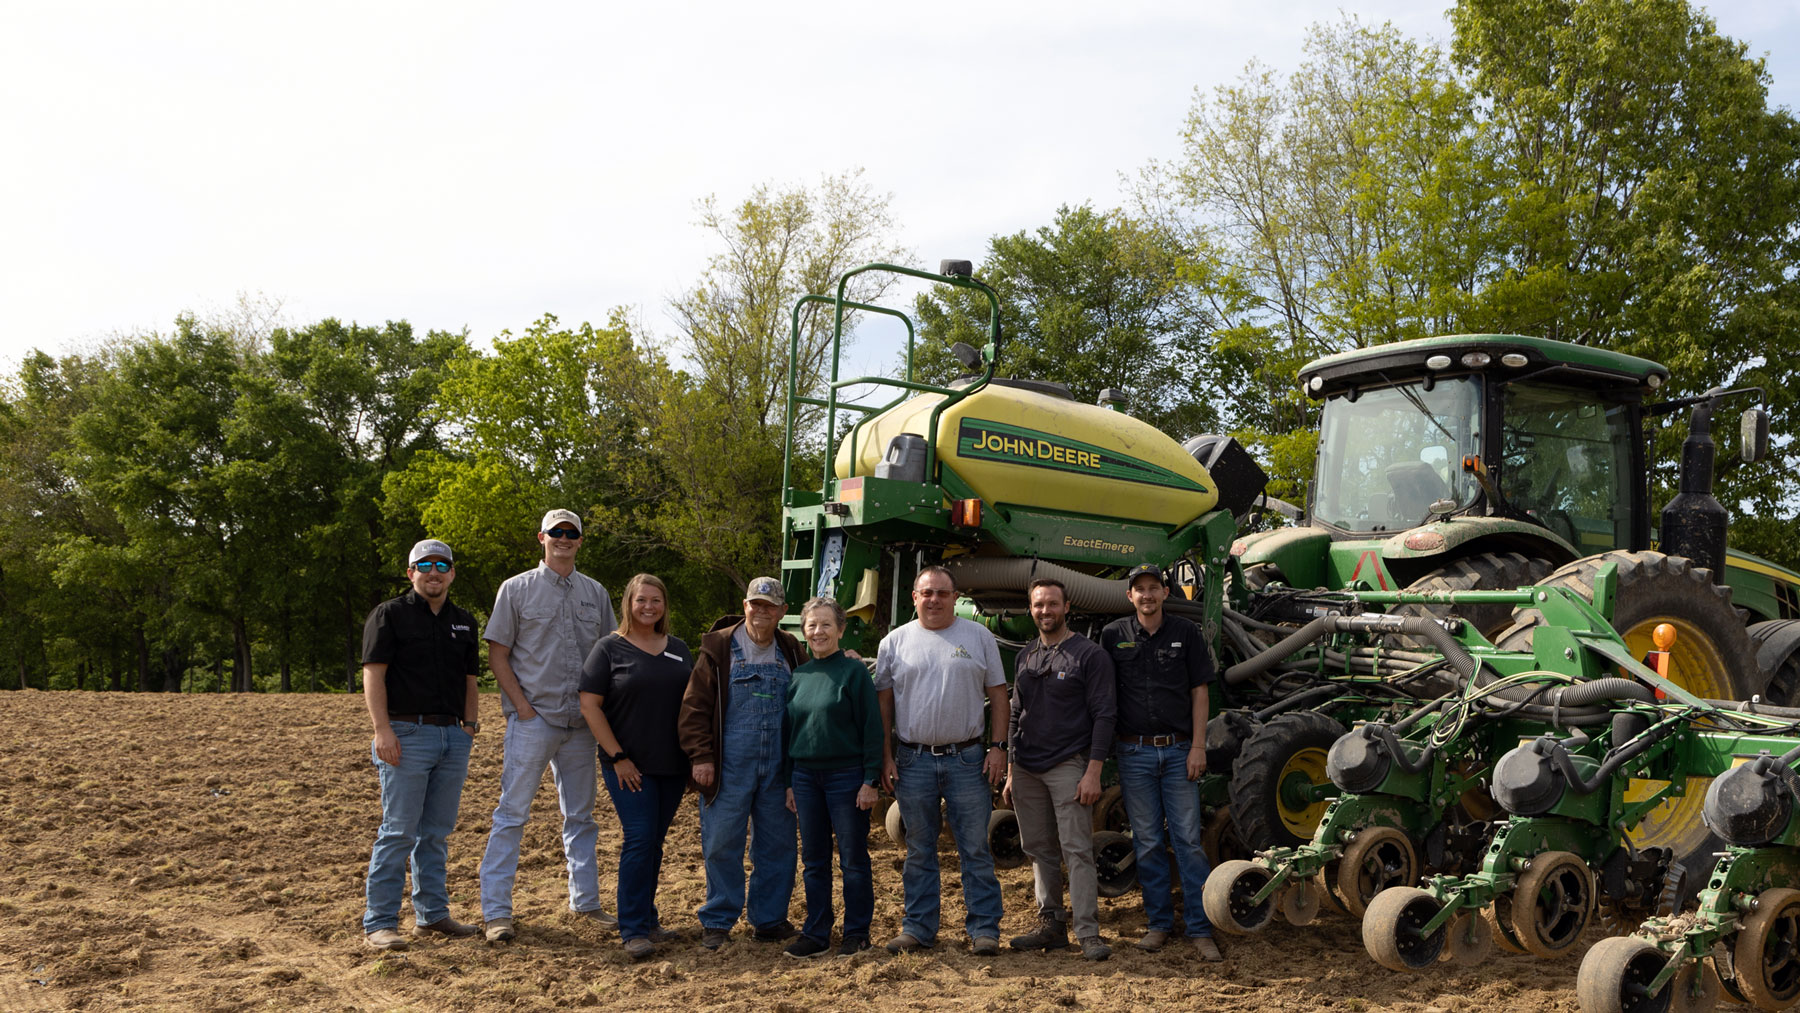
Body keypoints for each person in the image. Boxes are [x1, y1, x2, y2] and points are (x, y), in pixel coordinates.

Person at [478, 509, 618, 943]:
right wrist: (521, 708)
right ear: (541, 537)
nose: (563, 538)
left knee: (581, 817)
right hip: (533, 719)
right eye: (555, 532)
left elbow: (611, 654)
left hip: (580, 724)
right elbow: (497, 654)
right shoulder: (515, 589)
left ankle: (586, 901)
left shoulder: (595, 593)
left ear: (580, 540)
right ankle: (497, 912)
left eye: (570, 533)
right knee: (511, 814)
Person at [876, 565, 1009, 956]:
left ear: (955, 598)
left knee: (975, 848)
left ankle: (984, 929)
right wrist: (885, 756)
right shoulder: (894, 642)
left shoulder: (979, 636)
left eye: (942, 593)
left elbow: (999, 696)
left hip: (966, 759)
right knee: (919, 849)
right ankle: (918, 927)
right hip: (912, 759)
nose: (933, 599)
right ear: (914, 597)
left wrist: (998, 746)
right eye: (926, 593)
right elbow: (883, 705)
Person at [359, 539, 482, 950]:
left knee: (435, 833)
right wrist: (382, 730)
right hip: (405, 735)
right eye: (424, 564)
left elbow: (470, 679)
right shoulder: (388, 615)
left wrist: (469, 726)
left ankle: (431, 915)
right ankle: (380, 922)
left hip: (453, 736)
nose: (434, 571)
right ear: (410, 572)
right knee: (398, 831)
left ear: (451, 573)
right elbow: (374, 674)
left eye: (441, 564)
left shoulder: (464, 621)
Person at [1100, 563, 1223, 961]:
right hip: (1133, 752)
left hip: (1177, 751)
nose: (1147, 595)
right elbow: (1103, 696)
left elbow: (1200, 692)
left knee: (1187, 840)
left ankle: (1201, 928)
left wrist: (1198, 747)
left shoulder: (1185, 634)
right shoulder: (1113, 636)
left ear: (1165, 593)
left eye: (1154, 588)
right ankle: (1158, 925)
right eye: (1140, 589)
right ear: (1129, 596)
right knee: (1149, 841)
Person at [679, 576, 806, 949]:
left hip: (778, 764)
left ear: (782, 612)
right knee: (722, 842)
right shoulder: (719, 648)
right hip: (728, 762)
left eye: (769, 606)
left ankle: (768, 919)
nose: (761, 611)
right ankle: (718, 920)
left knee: (778, 844)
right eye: (755, 604)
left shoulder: (791, 649)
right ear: (745, 605)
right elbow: (694, 707)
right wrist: (701, 756)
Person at [1003, 577, 1117, 961]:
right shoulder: (1025, 656)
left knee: (1076, 850)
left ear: (1067, 607)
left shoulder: (1089, 655)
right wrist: (1010, 768)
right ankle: (1051, 925)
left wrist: (1093, 772)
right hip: (1026, 768)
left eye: (1053, 604)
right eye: (1038, 605)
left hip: (1069, 764)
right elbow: (1016, 712)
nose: (1045, 611)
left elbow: (1105, 715)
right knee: (1038, 850)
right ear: (1030, 609)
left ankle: (1088, 932)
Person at [580, 574, 692, 960]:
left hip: (672, 765)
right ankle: (632, 928)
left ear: (665, 606)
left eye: (656, 600)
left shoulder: (678, 649)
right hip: (628, 765)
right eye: (641, 599)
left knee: (654, 844)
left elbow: (694, 705)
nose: (648, 607)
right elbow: (590, 705)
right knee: (640, 839)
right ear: (628, 602)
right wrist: (617, 756)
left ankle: (647, 916)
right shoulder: (609, 649)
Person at [780, 596, 882, 958]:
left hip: (847, 777)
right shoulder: (799, 675)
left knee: (853, 858)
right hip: (806, 778)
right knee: (814, 860)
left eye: (826, 624)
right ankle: (817, 932)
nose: (818, 631)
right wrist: (791, 780)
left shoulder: (854, 672)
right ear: (803, 631)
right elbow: (789, 732)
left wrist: (871, 779)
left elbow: (872, 727)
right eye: (811, 625)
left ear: (840, 629)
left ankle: (857, 932)